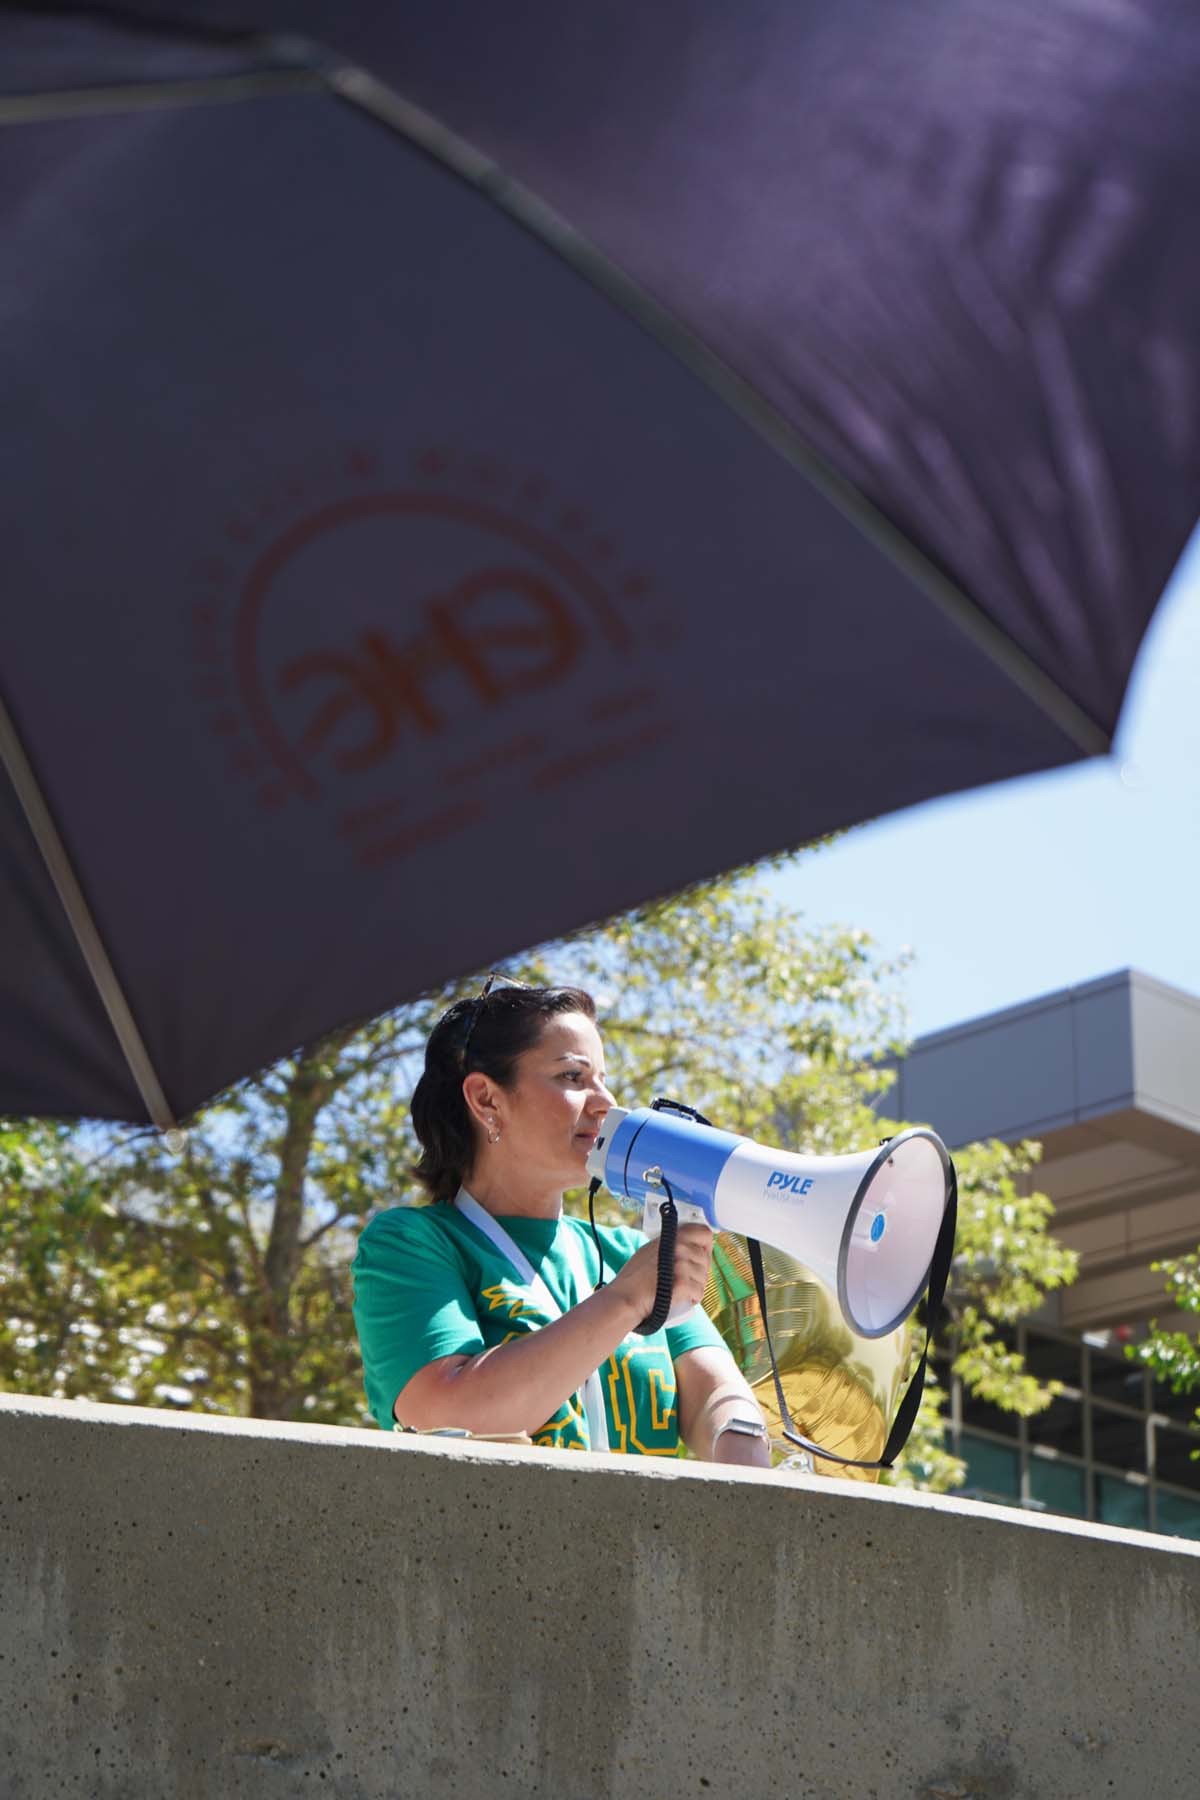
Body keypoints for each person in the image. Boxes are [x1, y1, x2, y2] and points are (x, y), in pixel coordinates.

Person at [352, 980, 772, 1466]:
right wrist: (626, 1298)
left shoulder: (625, 1252)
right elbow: (448, 1414)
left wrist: (741, 1441)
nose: (605, 1103)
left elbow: (716, 1400)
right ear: (486, 1099)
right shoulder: (412, 1244)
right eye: (573, 1077)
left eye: (603, 1079)